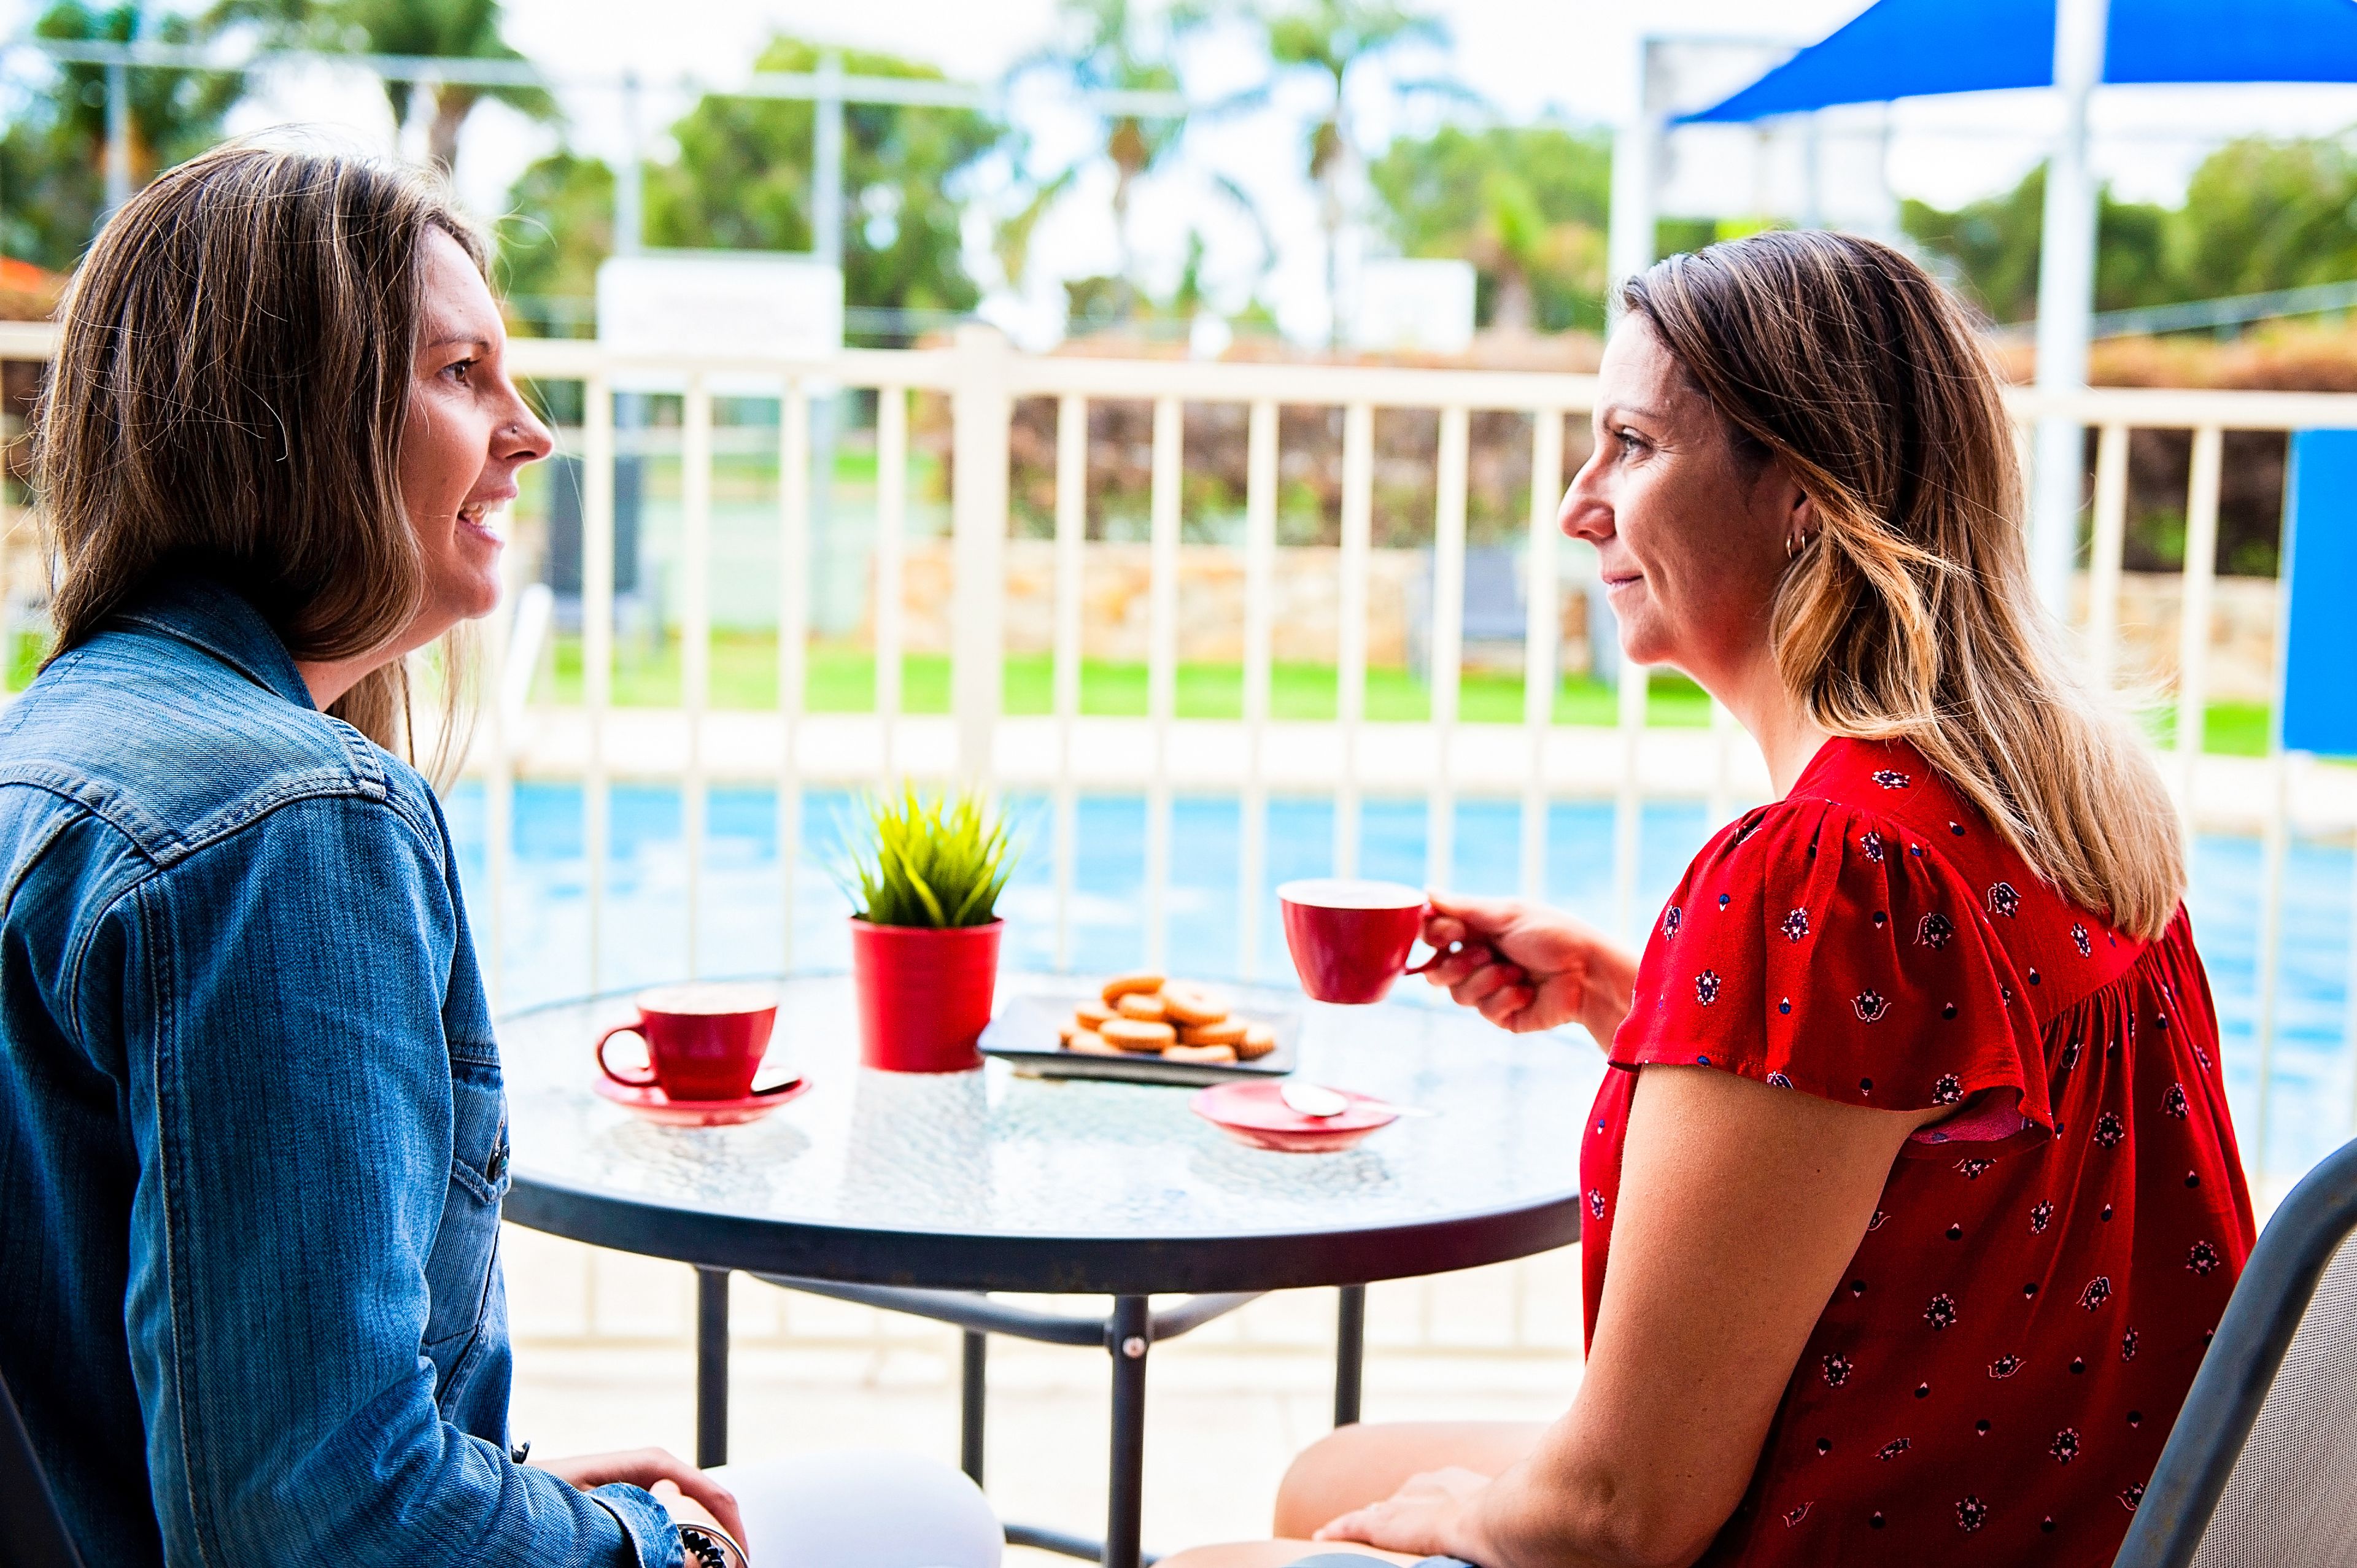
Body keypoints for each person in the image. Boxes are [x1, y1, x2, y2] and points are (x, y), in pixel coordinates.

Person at [1165, 231, 2256, 1568]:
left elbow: (1621, 1515)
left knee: (1242, 1552)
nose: (1577, 506)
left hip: (1852, 1541)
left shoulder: (1825, 875)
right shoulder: (2076, 805)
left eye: (1631, 442)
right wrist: (1641, 1000)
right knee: (1332, 1473)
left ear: (1802, 490)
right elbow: (1942, 1122)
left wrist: (1468, 1515)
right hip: (2081, 1525)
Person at [0, 141, 1000, 1568]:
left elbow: (223, 1438)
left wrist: (492, 1487)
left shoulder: (42, 754)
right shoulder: (294, 828)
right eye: (461, 375)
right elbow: (321, 1522)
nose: (530, 434)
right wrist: (649, 1547)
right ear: (288, 415)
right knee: (930, 1516)